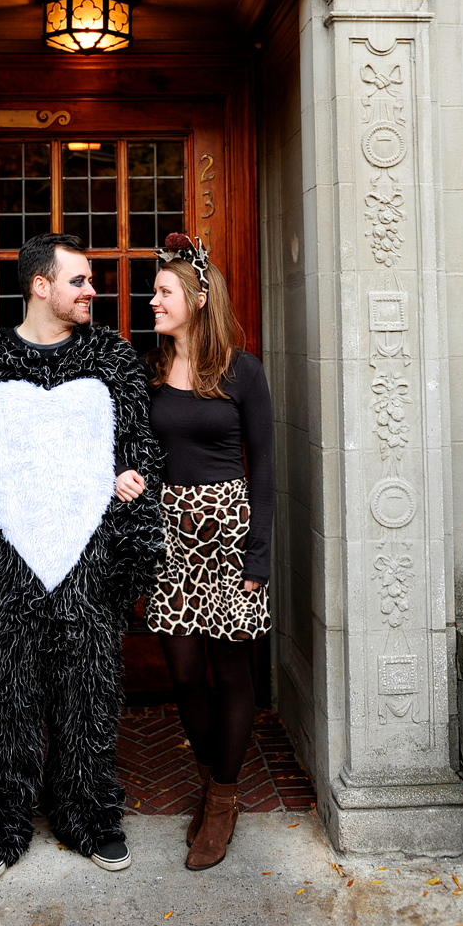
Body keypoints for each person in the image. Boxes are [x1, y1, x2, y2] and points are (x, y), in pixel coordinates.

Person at [0, 233, 164, 884]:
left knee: (90, 693)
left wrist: (133, 545)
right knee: (5, 697)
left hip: (90, 555)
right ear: (41, 284)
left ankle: (88, 815)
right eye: (80, 280)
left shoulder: (113, 359)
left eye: (91, 281)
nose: (93, 290)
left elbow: (137, 455)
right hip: (10, 561)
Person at [143, 233, 274, 872]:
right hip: (170, 538)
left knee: (231, 674)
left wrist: (260, 557)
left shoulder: (243, 371)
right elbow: (134, 449)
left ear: (197, 298)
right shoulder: (149, 370)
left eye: (163, 292)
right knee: (185, 673)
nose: (153, 301)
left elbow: (267, 466)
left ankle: (221, 800)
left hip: (228, 540)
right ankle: (211, 775)